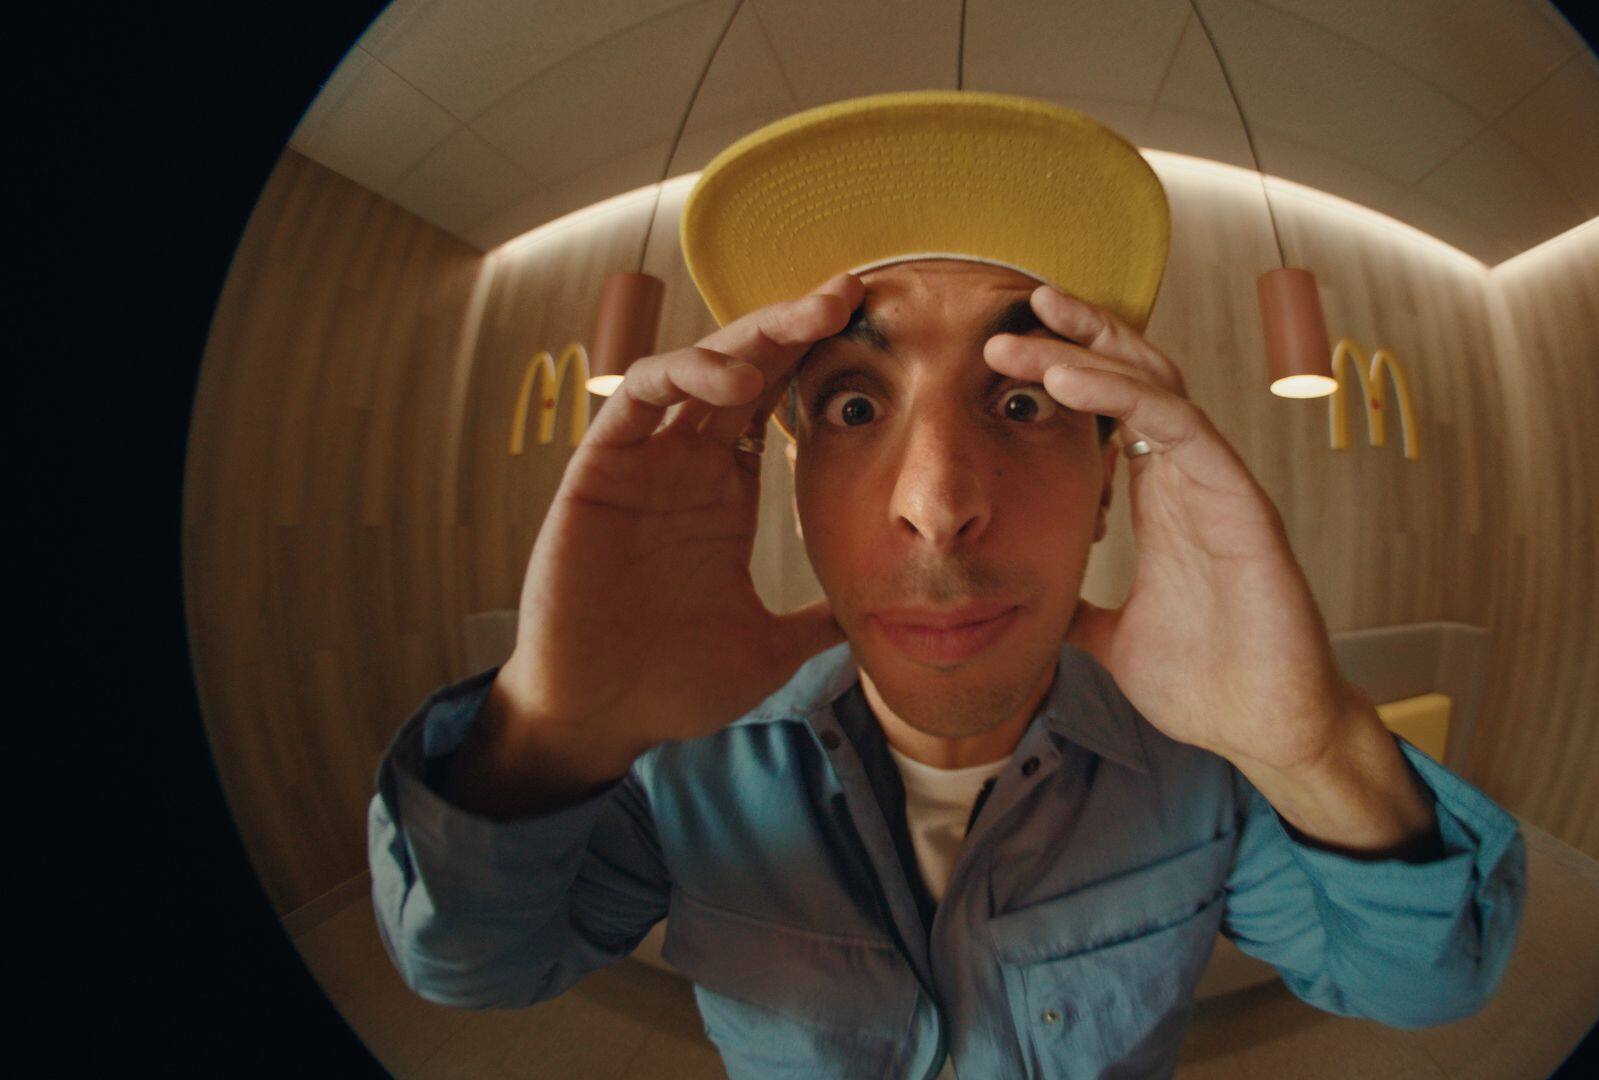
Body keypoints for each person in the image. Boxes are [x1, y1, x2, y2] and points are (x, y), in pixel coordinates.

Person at [369, 90, 1525, 1080]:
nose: (937, 501)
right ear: (795, 491)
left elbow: (1423, 981)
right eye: (854, 405)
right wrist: (546, 741)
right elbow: (477, 967)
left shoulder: (1203, 769)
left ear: (1108, 487)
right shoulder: (678, 762)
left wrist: (1315, 750)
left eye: (1021, 402)